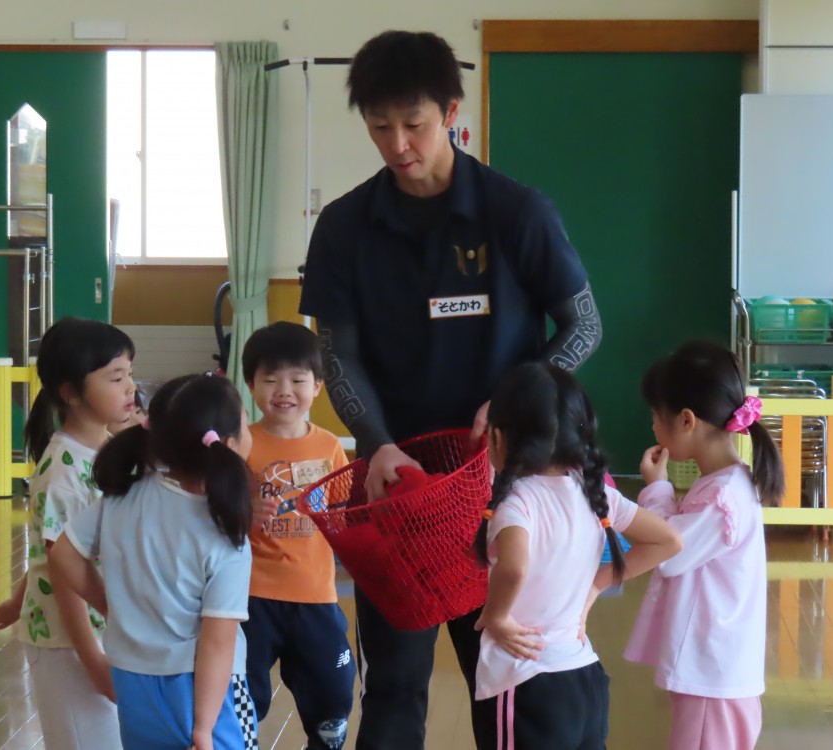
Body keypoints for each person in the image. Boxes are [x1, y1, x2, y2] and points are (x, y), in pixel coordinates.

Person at [298, 30, 603, 749]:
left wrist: (515, 401)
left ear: (451, 113)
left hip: (502, 491)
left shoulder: (516, 212)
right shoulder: (344, 227)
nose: (398, 144)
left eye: (415, 124)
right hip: (395, 490)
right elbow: (337, 352)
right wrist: (376, 443)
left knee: (505, 683)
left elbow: (584, 324)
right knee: (393, 688)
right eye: (380, 127)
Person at [473, 362, 681, 749]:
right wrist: (597, 586)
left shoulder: (517, 502)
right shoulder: (593, 493)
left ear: (497, 438)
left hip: (527, 685)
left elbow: (514, 567)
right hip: (584, 679)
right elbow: (668, 540)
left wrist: (497, 616)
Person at [49, 374, 259, 750]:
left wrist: (110, 606)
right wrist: (203, 729)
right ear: (228, 444)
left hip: (131, 680)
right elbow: (217, 643)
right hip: (205, 692)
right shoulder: (225, 534)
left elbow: (64, 554)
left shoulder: (123, 497)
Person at [0, 317, 137, 749]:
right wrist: (93, 661)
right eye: (116, 378)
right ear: (71, 393)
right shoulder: (64, 474)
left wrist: (20, 599)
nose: (131, 387)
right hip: (69, 642)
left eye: (129, 373)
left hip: (103, 629)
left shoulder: (106, 450)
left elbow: (49, 548)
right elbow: (64, 567)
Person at [625, 341, 784, 750]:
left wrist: (656, 490)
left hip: (712, 678)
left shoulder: (721, 496)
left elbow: (668, 550)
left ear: (686, 420)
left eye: (655, 416)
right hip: (715, 675)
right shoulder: (725, 483)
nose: (653, 427)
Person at [240, 322, 356, 749]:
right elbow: (215, 517)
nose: (283, 390)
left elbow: (342, 516)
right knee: (242, 694)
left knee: (333, 694)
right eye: (270, 379)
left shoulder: (329, 447)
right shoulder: (240, 445)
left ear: (318, 386)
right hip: (250, 597)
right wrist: (244, 515)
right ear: (251, 385)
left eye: (297, 380)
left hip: (315, 595)